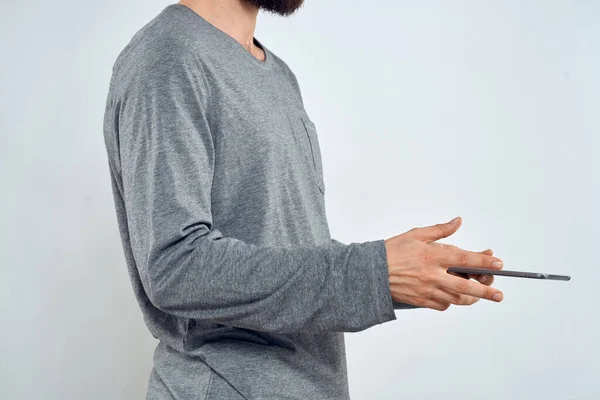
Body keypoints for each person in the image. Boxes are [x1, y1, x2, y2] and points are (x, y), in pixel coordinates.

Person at [102, 1, 505, 398]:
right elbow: (176, 267)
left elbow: (288, 247)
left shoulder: (276, 73)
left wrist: (408, 275)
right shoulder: (167, 58)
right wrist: (373, 273)